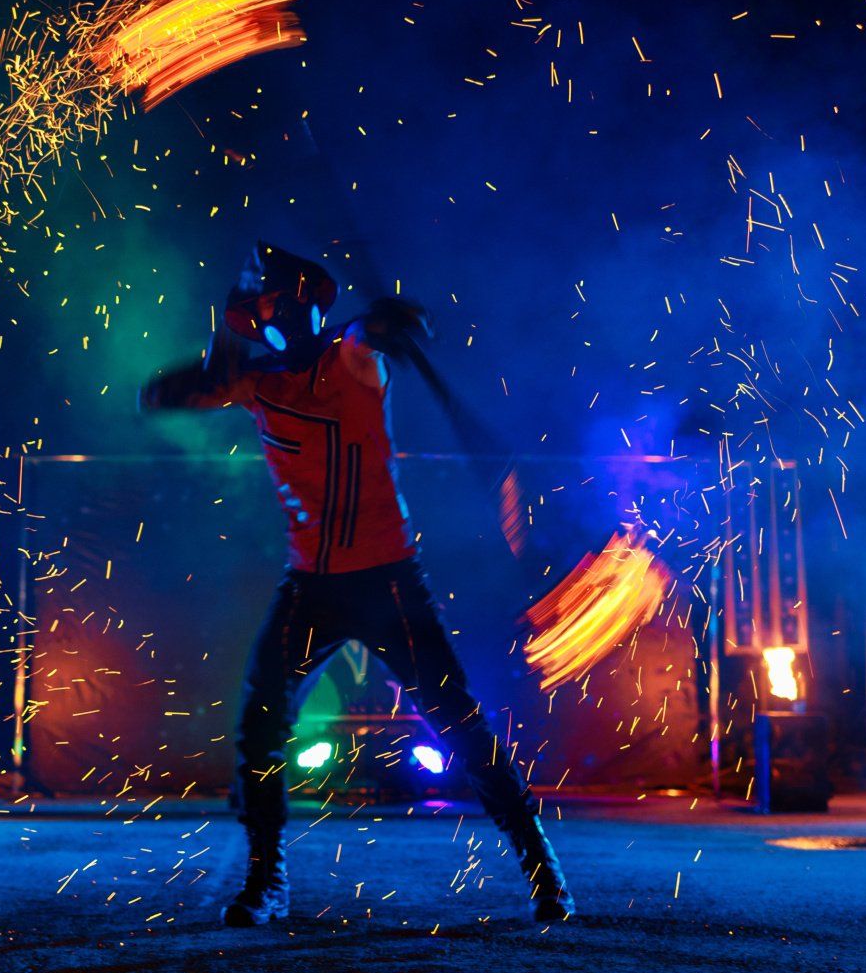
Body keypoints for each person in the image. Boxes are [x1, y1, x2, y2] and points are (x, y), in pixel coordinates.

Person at [140, 242, 574, 926]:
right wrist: (215, 364)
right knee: (260, 729)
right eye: (253, 316)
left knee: (459, 723)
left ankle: (541, 866)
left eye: (270, 309)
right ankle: (265, 880)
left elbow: (366, 338)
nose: (263, 323)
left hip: (387, 582)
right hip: (310, 587)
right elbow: (158, 395)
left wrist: (384, 323)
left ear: (299, 309)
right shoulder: (255, 383)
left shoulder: (353, 361)